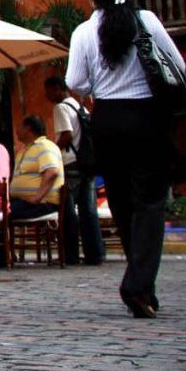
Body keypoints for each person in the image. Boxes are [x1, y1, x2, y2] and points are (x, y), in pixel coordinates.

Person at [65, 0, 186, 319]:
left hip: (107, 120)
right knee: (150, 202)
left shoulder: (83, 32)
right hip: (148, 116)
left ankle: (142, 286)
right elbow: (177, 64)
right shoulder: (145, 20)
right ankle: (138, 285)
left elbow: (76, 82)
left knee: (121, 202)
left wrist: (102, 84)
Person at [47, 75, 103, 265]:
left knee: (68, 211)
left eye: (48, 91)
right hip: (87, 163)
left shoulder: (61, 108)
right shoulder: (80, 106)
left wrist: (53, 151)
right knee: (88, 210)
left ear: (56, 88)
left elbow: (67, 135)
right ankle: (95, 254)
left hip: (70, 163)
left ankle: (70, 254)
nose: (47, 96)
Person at [11, 115, 64, 222]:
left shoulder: (45, 146)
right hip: (25, 203)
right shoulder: (24, 150)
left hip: (43, 204)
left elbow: (52, 171)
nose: (16, 130)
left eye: (19, 126)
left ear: (28, 129)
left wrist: (37, 198)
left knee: (1, 213)